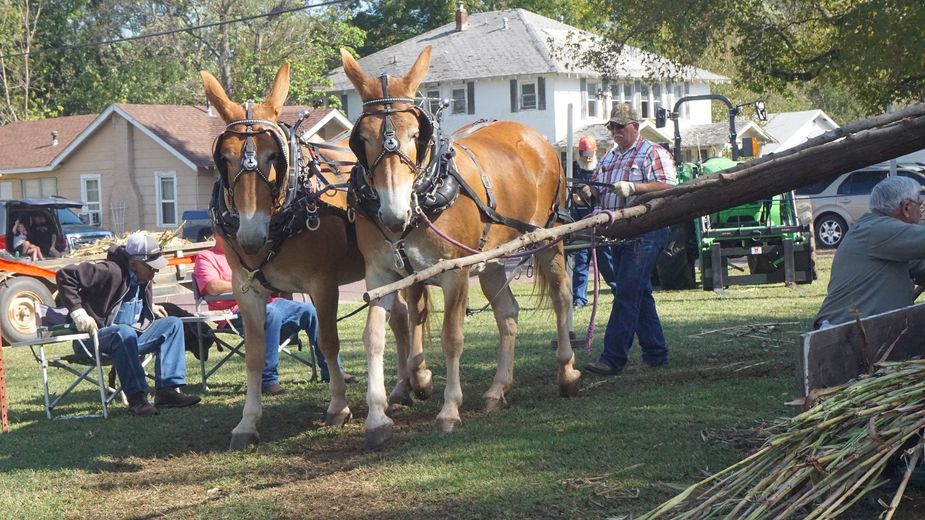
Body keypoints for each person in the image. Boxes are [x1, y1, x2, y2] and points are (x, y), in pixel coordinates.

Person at [56, 232, 201, 416]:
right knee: (123, 332)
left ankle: (167, 391)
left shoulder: (143, 276)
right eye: (151, 266)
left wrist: (150, 306)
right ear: (133, 263)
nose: (155, 271)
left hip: (129, 337)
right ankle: (137, 399)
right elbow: (65, 276)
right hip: (92, 339)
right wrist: (78, 312)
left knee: (172, 324)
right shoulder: (109, 270)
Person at [193, 233, 356, 395]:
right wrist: (247, 282)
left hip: (270, 302)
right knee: (270, 314)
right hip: (235, 311)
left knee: (310, 311)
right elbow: (212, 286)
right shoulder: (206, 257)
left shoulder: (249, 256)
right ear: (217, 233)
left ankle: (333, 370)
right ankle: (268, 381)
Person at [582, 104, 677, 375]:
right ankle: (656, 353)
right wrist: (591, 192)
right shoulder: (610, 158)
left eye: (619, 127)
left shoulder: (653, 153)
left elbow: (669, 186)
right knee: (638, 291)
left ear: (635, 126)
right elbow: (601, 192)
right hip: (620, 233)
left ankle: (612, 358)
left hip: (648, 230)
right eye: (611, 127)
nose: (614, 132)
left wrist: (635, 187)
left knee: (626, 291)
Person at [814, 176, 925, 328]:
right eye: (920, 206)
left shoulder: (890, 240)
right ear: (906, 207)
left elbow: (920, 267)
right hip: (844, 334)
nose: (921, 213)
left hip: (864, 331)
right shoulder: (878, 230)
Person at [569, 135, 618, 308]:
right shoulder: (572, 170)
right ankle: (579, 299)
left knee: (606, 260)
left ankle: (617, 291)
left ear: (594, 152)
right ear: (579, 152)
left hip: (600, 221)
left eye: (589, 153)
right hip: (580, 222)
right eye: (584, 153)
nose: (587, 157)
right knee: (581, 262)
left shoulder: (602, 169)